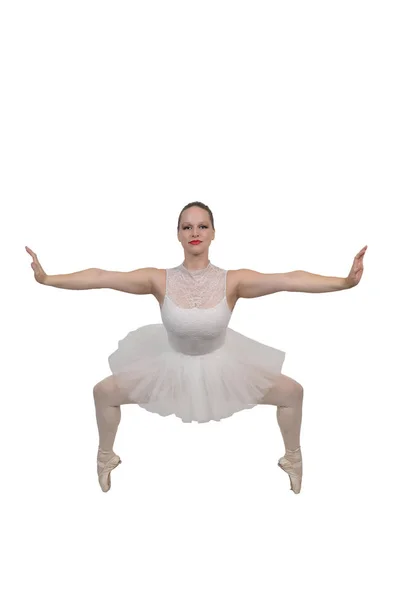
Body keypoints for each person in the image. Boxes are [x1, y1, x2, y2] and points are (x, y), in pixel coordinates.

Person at [26, 201, 367, 494]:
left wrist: (344, 282)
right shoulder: (156, 279)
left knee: (292, 392)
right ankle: (106, 455)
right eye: (187, 226)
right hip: (169, 364)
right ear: (177, 234)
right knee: (103, 392)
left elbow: (290, 279)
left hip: (222, 364)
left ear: (213, 233)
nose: (195, 231)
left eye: (203, 225)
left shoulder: (234, 280)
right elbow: (101, 276)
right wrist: (48, 278)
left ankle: (292, 456)